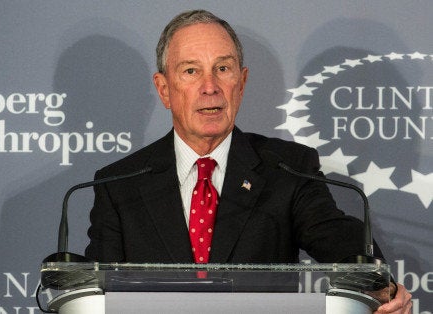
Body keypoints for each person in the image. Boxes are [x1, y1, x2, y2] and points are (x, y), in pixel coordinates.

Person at [84, 9, 411, 313]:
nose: (209, 87)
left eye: (222, 69)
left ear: (241, 83)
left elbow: (339, 241)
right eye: (191, 71)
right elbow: (94, 296)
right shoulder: (120, 183)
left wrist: (379, 286)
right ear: (164, 89)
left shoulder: (287, 168)